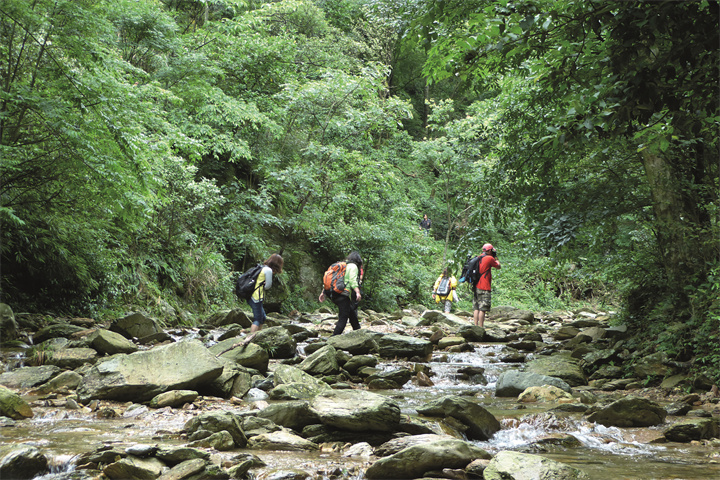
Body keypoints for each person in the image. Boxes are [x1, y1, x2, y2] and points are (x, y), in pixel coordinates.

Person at [319, 251, 363, 335]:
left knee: (350, 311)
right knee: (343, 317)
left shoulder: (341, 265)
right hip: (341, 293)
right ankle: (334, 338)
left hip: (332, 293)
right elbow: (352, 280)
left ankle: (358, 330)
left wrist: (323, 292)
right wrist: (357, 292)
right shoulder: (353, 266)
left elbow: (330, 280)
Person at [248, 253, 284, 335]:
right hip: (256, 297)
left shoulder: (262, 268)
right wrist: (264, 284)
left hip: (251, 295)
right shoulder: (268, 270)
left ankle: (257, 336)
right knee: (258, 319)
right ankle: (250, 338)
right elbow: (268, 286)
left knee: (263, 317)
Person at [473, 243, 501, 327]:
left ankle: (475, 326)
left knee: (476, 307)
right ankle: (481, 327)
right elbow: (498, 266)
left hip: (476, 285)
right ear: (489, 251)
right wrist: (496, 257)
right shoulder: (490, 258)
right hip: (484, 286)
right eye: (491, 250)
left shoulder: (478, 257)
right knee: (483, 308)